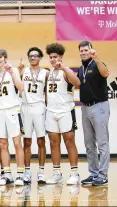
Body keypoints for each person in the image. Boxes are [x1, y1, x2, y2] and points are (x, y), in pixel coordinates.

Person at [44, 43, 81, 185]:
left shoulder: (65, 71)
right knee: (54, 143)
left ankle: (74, 173)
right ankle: (57, 173)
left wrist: (64, 67)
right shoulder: (49, 73)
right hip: (51, 112)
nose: (53, 59)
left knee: (69, 142)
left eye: (56, 57)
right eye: (51, 57)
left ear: (61, 57)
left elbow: (77, 83)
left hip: (65, 111)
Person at [0, 49, 25, 186]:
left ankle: (20, 175)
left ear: (5, 58)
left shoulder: (13, 70)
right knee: (2, 144)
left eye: (0, 57)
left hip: (12, 110)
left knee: (17, 143)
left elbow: (21, 88)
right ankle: (7, 174)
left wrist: (12, 73)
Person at [77, 41, 110, 186]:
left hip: (99, 106)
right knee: (89, 144)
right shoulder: (80, 69)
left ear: (91, 51)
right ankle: (94, 173)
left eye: (86, 50)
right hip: (85, 108)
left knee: (102, 143)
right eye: (81, 50)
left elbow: (105, 73)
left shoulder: (98, 64)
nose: (84, 52)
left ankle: (103, 175)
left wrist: (97, 59)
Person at [18, 47, 48, 184]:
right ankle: (27, 171)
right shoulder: (23, 72)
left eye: (36, 56)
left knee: (41, 140)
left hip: (40, 107)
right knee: (27, 141)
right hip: (25, 107)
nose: (33, 58)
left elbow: (48, 93)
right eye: (30, 56)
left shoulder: (46, 73)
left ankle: (41, 172)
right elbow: (16, 87)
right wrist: (18, 72)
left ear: (40, 57)